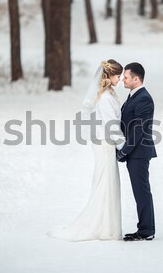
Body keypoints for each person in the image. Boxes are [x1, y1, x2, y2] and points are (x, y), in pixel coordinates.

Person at [50, 59, 125, 241]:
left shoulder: (108, 94)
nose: (120, 79)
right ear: (109, 75)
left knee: (108, 182)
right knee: (105, 182)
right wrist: (123, 144)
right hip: (104, 144)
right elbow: (110, 124)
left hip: (105, 143)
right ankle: (102, 226)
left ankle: (108, 226)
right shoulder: (106, 98)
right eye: (118, 75)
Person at [116, 62, 157, 241]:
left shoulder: (144, 99)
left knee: (141, 192)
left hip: (139, 153)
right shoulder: (133, 96)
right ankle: (145, 228)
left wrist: (124, 150)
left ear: (136, 79)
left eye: (126, 77)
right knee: (139, 191)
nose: (123, 79)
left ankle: (146, 230)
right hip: (134, 152)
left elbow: (138, 129)